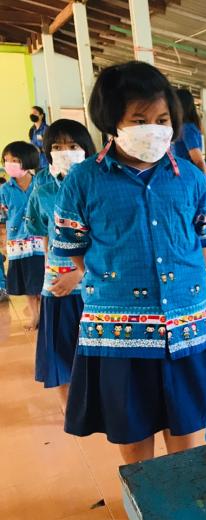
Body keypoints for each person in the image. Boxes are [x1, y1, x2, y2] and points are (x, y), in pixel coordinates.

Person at [53, 61, 206, 464]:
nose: (154, 128)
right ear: (113, 121)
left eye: (162, 119)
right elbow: (72, 245)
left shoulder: (192, 179)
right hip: (119, 332)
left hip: (186, 326)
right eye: (140, 119)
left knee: (187, 426)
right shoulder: (83, 180)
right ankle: (147, 504)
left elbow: (203, 239)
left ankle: (182, 499)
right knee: (132, 433)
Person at [26, 119, 96, 411]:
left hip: (94, 284)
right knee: (61, 353)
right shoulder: (42, 187)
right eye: (57, 146)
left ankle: (98, 405)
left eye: (72, 145)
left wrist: (79, 274)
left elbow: (108, 237)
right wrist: (52, 273)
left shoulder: (98, 182)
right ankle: (72, 410)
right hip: (55, 283)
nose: (65, 151)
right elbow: (43, 234)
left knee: (96, 352)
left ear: (86, 148)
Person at [0, 141, 45, 329]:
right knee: (28, 284)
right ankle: (34, 316)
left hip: (42, 242)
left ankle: (46, 315)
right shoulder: (5, 190)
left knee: (44, 281)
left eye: (15, 160)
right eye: (6, 160)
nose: (9, 164)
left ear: (27, 161)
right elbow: (2, 217)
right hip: (18, 243)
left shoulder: (42, 183)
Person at [173, 88, 206, 277]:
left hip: (190, 183)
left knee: (199, 221)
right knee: (194, 221)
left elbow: (197, 159)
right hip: (183, 181)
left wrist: (201, 181)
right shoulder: (182, 127)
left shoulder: (187, 128)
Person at [29, 106, 49, 170]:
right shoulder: (31, 130)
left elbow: (51, 146)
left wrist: (39, 149)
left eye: (35, 113)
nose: (32, 114)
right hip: (35, 163)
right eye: (31, 113)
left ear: (41, 115)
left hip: (46, 164)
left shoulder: (47, 129)